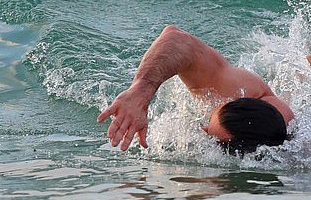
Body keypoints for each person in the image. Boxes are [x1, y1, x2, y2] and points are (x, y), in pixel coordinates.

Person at [97, 25, 295, 154]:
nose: (202, 129)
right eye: (210, 125)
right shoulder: (230, 90)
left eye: (212, 136)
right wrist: (141, 91)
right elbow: (176, 38)